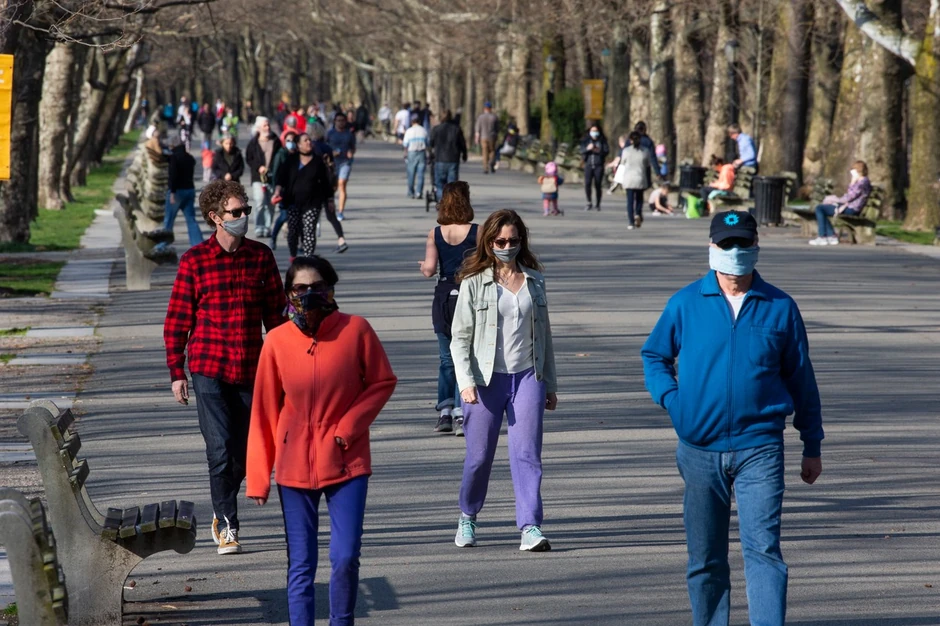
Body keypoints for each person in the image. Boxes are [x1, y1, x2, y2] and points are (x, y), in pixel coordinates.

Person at [641, 210, 823, 626]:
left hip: (760, 447)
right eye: (727, 244)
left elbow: (802, 379)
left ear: (756, 246)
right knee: (705, 558)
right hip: (699, 448)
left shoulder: (780, 307)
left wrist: (812, 444)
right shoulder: (685, 303)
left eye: (743, 243)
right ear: (712, 248)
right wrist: (673, 400)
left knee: (764, 551)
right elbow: (654, 355)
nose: (735, 251)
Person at [247, 256, 397, 626]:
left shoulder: (356, 330)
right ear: (288, 294)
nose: (309, 294)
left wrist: (347, 428)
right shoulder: (277, 341)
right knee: (302, 563)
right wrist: (258, 476)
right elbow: (264, 409)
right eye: (300, 288)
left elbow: (382, 381)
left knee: (345, 557)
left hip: (347, 461)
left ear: (330, 289)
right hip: (294, 466)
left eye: (317, 287)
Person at [164, 179, 288, 555]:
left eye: (246, 210)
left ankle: (223, 507)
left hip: (252, 368)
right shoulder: (195, 261)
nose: (243, 216)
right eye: (236, 212)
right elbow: (177, 320)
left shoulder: (260, 257)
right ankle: (227, 523)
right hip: (209, 368)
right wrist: (176, 372)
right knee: (219, 449)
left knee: (250, 452)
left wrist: (288, 364)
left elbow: (276, 316)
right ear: (216, 217)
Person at [450, 209, 558, 551]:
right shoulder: (474, 282)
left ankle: (530, 526)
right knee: (479, 457)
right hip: (485, 380)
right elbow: (459, 338)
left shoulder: (534, 280)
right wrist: (465, 382)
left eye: (513, 241)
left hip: (528, 376)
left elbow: (545, 336)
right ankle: (468, 515)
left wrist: (550, 383)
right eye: (500, 241)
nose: (507, 247)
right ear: (488, 242)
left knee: (528, 454)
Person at [419, 182, 478, 434]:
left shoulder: (435, 233)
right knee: (465, 355)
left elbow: (429, 270)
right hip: (469, 294)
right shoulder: (478, 231)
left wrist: (423, 265)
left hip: (444, 296)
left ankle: (444, 411)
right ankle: (461, 413)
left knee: (446, 358)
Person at [273, 133, 333, 258]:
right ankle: (293, 256)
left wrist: (330, 200)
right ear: (298, 144)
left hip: (313, 202)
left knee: (309, 230)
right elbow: (281, 178)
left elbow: (325, 182)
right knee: (293, 231)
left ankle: (308, 258)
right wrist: (277, 191)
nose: (309, 142)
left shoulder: (318, 161)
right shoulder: (291, 160)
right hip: (293, 201)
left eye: (310, 140)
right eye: (305, 140)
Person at [809, 160, 872, 246]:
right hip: (850, 207)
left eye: (853, 171)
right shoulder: (863, 182)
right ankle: (831, 236)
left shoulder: (862, 183)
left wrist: (852, 183)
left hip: (851, 209)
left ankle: (823, 236)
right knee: (822, 208)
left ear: (857, 171)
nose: (851, 173)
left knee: (820, 209)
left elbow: (850, 196)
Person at [310, 123, 348, 254]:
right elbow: (332, 168)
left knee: (311, 217)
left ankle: (308, 246)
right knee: (331, 215)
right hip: (327, 184)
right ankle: (341, 239)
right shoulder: (327, 148)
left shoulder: (310, 148)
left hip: (314, 185)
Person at [161, 134, 202, 247]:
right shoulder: (189, 157)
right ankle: (198, 244)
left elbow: (173, 176)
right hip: (190, 190)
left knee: (168, 220)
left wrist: (172, 192)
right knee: (191, 219)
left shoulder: (174, 158)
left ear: (172, 145)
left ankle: (162, 244)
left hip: (177, 192)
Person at [245, 117, 282, 238]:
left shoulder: (276, 141)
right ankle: (259, 226)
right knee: (260, 200)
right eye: (265, 125)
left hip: (272, 176)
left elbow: (280, 157)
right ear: (259, 128)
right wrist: (258, 167)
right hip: (258, 177)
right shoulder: (253, 143)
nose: (268, 127)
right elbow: (249, 159)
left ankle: (267, 227)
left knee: (271, 203)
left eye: (268, 125)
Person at [613, 131, 656, 230]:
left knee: (630, 201)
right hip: (640, 178)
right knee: (639, 199)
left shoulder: (626, 151)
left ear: (630, 140)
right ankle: (638, 213)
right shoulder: (645, 151)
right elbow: (648, 166)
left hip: (629, 179)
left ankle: (631, 222)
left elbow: (622, 164)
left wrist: (618, 179)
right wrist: (649, 180)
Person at [269, 130, 298, 251]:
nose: (291, 143)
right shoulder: (281, 154)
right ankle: (273, 237)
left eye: (293, 140)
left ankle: (299, 243)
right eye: (288, 140)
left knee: (298, 218)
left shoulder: (299, 155)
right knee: (284, 215)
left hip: (297, 192)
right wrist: (276, 190)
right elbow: (276, 174)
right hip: (283, 191)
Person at [429, 110, 468, 198]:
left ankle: (441, 201)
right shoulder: (456, 129)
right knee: (452, 185)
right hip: (453, 159)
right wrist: (464, 154)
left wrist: (431, 155)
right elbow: (462, 143)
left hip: (440, 159)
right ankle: (450, 202)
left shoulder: (436, 129)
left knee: (439, 184)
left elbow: (431, 143)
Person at [327, 112, 356, 221]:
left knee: (342, 184)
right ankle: (331, 208)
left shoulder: (349, 134)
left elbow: (353, 147)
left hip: (345, 162)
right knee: (333, 188)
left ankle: (340, 212)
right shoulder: (330, 133)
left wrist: (351, 152)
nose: (340, 123)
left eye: (342, 120)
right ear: (335, 121)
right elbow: (325, 146)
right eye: (338, 120)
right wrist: (331, 153)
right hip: (332, 163)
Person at [580, 123, 610, 211]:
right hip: (588, 164)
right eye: (592, 131)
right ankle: (589, 202)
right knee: (587, 183)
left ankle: (598, 204)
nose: (594, 133)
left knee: (598, 184)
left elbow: (606, 151)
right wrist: (588, 148)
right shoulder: (586, 140)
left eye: (596, 131)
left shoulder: (602, 141)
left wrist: (597, 150)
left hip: (598, 165)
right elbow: (582, 150)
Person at [403, 115, 429, 200]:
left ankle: (411, 192)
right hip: (422, 152)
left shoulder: (409, 131)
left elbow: (405, 144)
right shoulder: (423, 130)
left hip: (412, 153)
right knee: (421, 174)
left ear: (412, 122)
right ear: (419, 121)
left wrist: (405, 153)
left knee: (411, 173)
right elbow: (427, 143)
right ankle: (419, 192)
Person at [474, 102, 499, 174]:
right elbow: (497, 129)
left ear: (484, 109)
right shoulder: (494, 117)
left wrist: (477, 138)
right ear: (490, 108)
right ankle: (492, 162)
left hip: (483, 137)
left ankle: (485, 168)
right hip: (492, 137)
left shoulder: (480, 117)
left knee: (485, 152)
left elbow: (477, 129)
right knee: (492, 151)